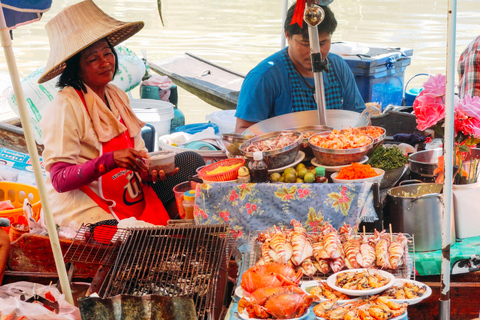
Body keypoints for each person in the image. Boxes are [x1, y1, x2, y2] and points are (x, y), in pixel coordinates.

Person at [38, 0, 203, 228]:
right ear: (76, 68)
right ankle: (153, 233)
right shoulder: (66, 105)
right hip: (85, 203)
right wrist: (109, 161)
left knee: (191, 162)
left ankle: (164, 229)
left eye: (107, 53)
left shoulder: (116, 95)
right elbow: (59, 179)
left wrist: (148, 171)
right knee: (120, 238)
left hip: (127, 189)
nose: (105, 63)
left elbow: (138, 154)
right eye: (93, 59)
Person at [235, 2, 365, 133]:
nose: (314, 52)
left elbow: (359, 118)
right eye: (305, 44)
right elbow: (244, 131)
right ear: (287, 35)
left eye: (322, 43)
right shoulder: (264, 77)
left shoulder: (338, 67)